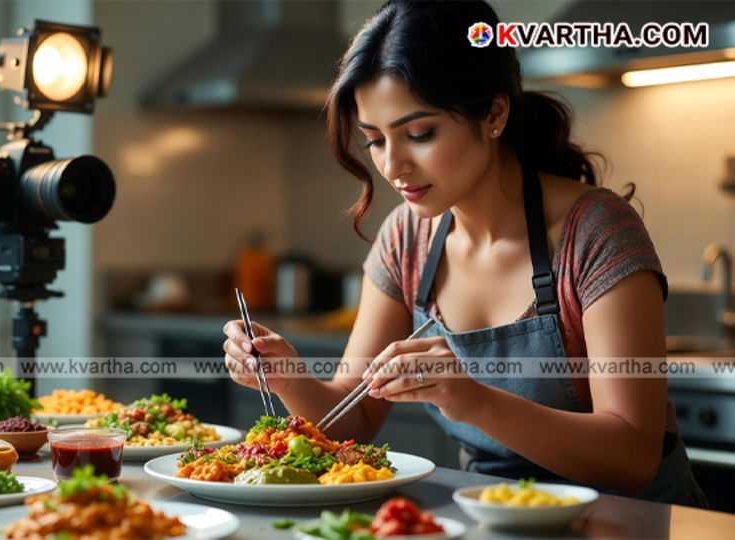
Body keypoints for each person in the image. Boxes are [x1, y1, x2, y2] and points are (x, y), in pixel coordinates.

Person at [222, 0, 707, 507]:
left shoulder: (595, 232)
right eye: (375, 141)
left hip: (629, 521)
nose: (394, 167)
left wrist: (472, 399)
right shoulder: (406, 239)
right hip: (493, 515)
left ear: (494, 114)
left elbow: (633, 457)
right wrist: (286, 374)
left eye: (419, 134)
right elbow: (358, 419)